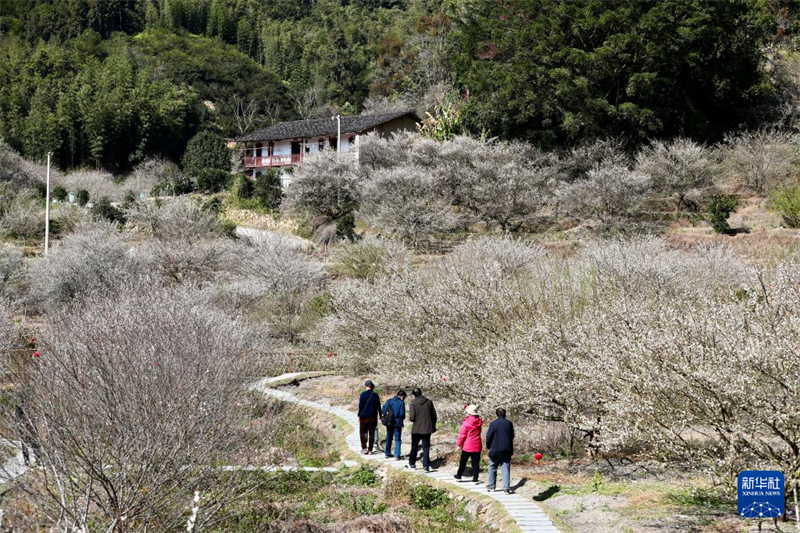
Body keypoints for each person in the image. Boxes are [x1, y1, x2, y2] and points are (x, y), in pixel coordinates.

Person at [407, 387, 437, 471]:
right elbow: (434, 415)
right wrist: (433, 425)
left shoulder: (413, 403)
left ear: (414, 395)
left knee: (414, 447)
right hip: (427, 428)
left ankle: (412, 464)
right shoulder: (429, 402)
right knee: (426, 447)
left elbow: (412, 418)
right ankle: (426, 465)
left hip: (416, 429)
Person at [486, 407, 515, 493]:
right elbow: (512, 435)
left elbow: (489, 436)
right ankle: (506, 488)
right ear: (505, 414)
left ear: (496, 414)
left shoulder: (493, 424)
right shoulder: (509, 423)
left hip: (495, 448)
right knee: (505, 467)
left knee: (492, 466)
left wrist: (488, 446)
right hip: (507, 448)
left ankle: (492, 485)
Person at [454, 404, 483, 484]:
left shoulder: (466, 423)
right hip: (477, 444)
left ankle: (459, 476)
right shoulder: (479, 422)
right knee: (476, 463)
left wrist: (458, 445)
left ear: (469, 413)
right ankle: (475, 478)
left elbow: (462, 435)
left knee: (463, 461)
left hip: (468, 445)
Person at [381, 389, 407, 460]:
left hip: (389, 422)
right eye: (404, 397)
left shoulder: (389, 401)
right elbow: (402, 414)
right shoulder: (401, 402)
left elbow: (383, 410)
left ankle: (387, 453)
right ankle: (397, 455)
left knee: (389, 437)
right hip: (397, 423)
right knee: (397, 439)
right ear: (402, 396)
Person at [357, 380, 381, 454]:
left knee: (362, 432)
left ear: (365, 386)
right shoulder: (375, 395)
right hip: (373, 417)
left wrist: (359, 415)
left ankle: (364, 448)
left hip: (364, 416)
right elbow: (379, 406)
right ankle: (370, 450)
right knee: (372, 433)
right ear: (372, 386)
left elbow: (360, 406)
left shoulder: (362, 395)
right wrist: (380, 414)